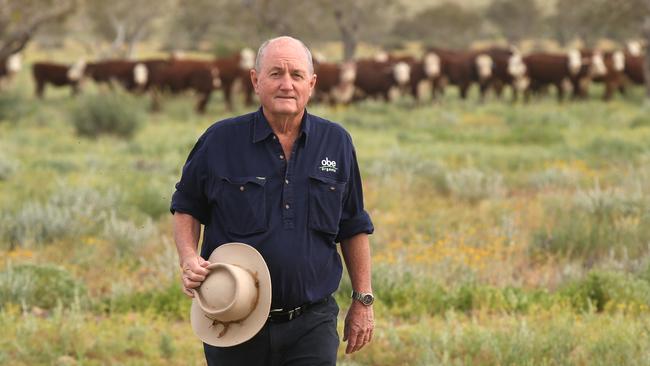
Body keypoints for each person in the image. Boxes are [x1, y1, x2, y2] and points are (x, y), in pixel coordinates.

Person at [171, 36, 374, 365]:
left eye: (296, 75)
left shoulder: (335, 142)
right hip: (233, 316)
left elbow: (353, 226)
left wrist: (363, 300)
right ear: (255, 80)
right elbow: (186, 206)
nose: (286, 85)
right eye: (275, 73)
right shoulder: (220, 140)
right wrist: (189, 257)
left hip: (312, 321)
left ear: (312, 83)